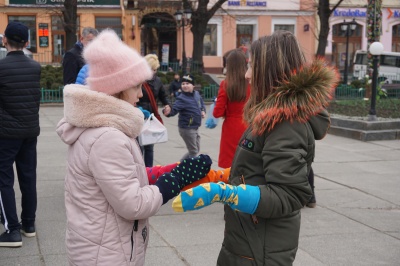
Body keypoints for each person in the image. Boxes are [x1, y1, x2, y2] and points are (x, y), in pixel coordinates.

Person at [172, 31, 339, 265]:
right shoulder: (272, 116)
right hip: (249, 241)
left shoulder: (287, 123)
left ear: (271, 72)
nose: (247, 75)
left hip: (260, 249)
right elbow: (257, 172)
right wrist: (219, 177)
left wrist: (224, 193)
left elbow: (288, 194)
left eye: (252, 67)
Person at [55, 29, 212, 265]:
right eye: (136, 87)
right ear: (117, 88)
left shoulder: (102, 127)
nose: (140, 94)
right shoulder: (107, 137)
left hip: (100, 246)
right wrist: (174, 181)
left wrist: (167, 170)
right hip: (107, 254)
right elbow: (133, 204)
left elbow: (121, 177)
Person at [0, 22, 41, 247]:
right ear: (26, 42)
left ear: (5, 40)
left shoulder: (1, 67)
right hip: (29, 131)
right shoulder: (35, 67)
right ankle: (29, 224)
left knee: (4, 179)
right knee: (28, 177)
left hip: (6, 133)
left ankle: (12, 230)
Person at [213, 49, 251, 168]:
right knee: (247, 162)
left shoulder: (226, 84)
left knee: (230, 166)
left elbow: (217, 113)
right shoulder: (252, 84)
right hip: (249, 125)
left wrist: (226, 111)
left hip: (231, 128)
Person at [137, 54, 171, 167]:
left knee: (149, 145)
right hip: (138, 114)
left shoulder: (157, 81)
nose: (153, 72)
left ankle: (149, 171)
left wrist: (168, 105)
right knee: (138, 146)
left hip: (151, 116)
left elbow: (163, 96)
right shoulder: (137, 79)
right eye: (151, 69)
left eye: (155, 70)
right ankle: (139, 170)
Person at [163, 74, 206, 160]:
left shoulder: (196, 94)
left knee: (195, 150)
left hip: (195, 126)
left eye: (187, 83)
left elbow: (201, 103)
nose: (185, 86)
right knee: (193, 151)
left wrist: (203, 110)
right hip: (187, 128)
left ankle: (179, 166)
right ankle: (191, 171)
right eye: (183, 84)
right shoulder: (182, 98)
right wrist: (168, 112)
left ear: (193, 85)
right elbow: (174, 109)